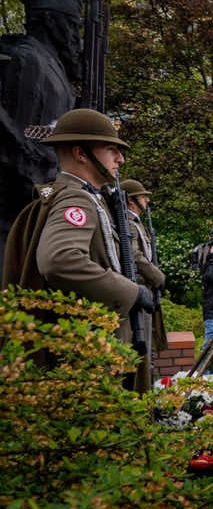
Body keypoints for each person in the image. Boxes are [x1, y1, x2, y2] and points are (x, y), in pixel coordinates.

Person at [22, 109, 153, 391]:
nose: (120, 159)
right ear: (81, 154)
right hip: (91, 349)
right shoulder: (76, 201)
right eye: (111, 149)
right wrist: (130, 291)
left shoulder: (82, 197)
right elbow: (60, 260)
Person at [0, 0, 82, 281]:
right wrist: (52, 193)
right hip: (18, 209)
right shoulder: (29, 61)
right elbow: (19, 142)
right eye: (71, 26)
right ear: (50, 21)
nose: (76, 37)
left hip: (37, 202)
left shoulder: (55, 69)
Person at [120, 178, 167, 370]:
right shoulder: (130, 224)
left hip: (145, 289)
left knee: (150, 342)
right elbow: (135, 255)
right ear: (131, 200)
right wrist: (158, 277)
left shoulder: (137, 223)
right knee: (143, 344)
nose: (147, 201)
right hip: (140, 289)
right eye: (143, 197)